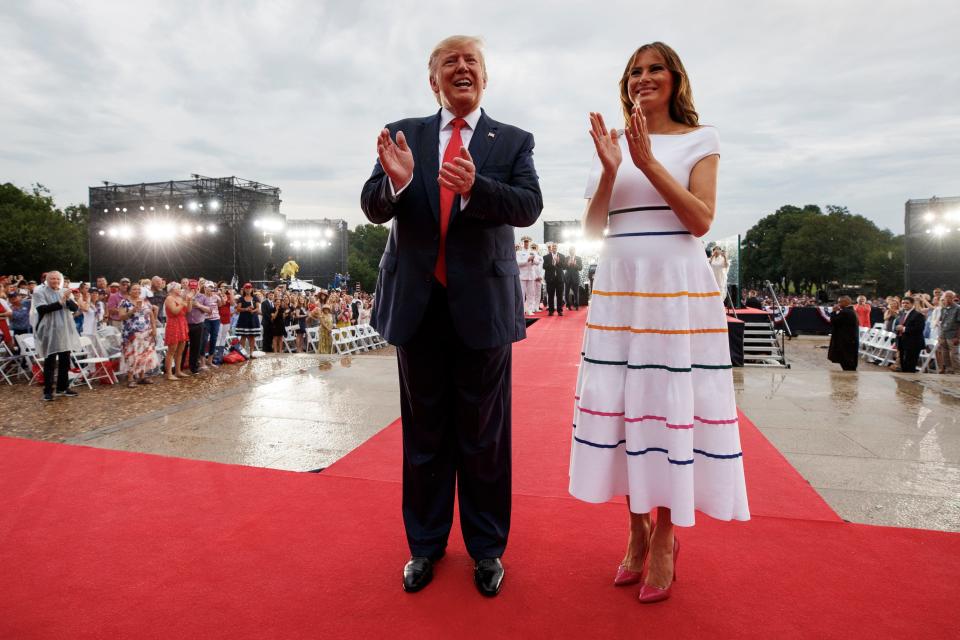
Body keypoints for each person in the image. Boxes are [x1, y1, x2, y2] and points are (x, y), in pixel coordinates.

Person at [360, 35, 543, 597]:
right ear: (432, 78)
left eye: (471, 61)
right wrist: (397, 182)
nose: (461, 68)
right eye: (449, 62)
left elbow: (528, 206)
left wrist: (475, 187)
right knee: (425, 435)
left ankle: (487, 549)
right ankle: (425, 546)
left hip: (482, 310)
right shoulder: (403, 133)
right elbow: (371, 205)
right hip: (418, 308)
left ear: (485, 76)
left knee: (485, 436)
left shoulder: (511, 141)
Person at [569, 42, 749, 604]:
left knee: (668, 406)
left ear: (675, 79)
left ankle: (666, 535)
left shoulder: (702, 139)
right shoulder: (612, 144)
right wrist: (610, 170)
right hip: (620, 286)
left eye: (653, 70)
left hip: (675, 289)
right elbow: (594, 231)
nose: (642, 78)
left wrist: (648, 164)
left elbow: (700, 220)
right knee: (625, 404)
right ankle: (635, 526)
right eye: (634, 72)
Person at [29, 271, 82, 401]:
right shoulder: (39, 291)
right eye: (52, 279)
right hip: (48, 330)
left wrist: (68, 299)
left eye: (58, 279)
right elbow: (42, 309)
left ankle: (62, 388)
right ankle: (48, 391)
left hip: (64, 330)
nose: (55, 281)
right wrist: (61, 301)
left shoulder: (63, 291)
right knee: (50, 362)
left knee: (65, 361)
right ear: (47, 280)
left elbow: (75, 308)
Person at [118, 283, 158, 387]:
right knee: (132, 355)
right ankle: (130, 378)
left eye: (138, 289)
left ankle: (142, 376)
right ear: (129, 291)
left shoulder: (145, 301)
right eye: (134, 289)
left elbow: (151, 315)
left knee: (144, 355)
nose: (137, 291)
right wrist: (132, 310)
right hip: (131, 334)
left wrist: (154, 329)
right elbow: (121, 317)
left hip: (146, 333)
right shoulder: (124, 302)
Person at [163, 283, 190, 380]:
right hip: (173, 323)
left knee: (180, 350)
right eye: (178, 288)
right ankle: (169, 373)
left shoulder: (180, 298)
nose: (180, 289)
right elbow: (174, 311)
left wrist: (189, 300)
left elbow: (188, 310)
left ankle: (178, 371)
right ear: (172, 289)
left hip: (182, 323)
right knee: (171, 350)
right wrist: (183, 303)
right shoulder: (169, 298)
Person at [828, 296, 859, 371]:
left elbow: (834, 322)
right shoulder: (849, 311)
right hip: (849, 339)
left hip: (845, 340)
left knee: (846, 360)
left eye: (840, 302)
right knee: (847, 359)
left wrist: (834, 312)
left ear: (846, 302)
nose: (838, 304)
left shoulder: (846, 312)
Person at [896, 296, 926, 373]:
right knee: (903, 365)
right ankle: (903, 383)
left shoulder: (918, 315)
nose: (904, 305)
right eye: (903, 303)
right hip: (902, 342)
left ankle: (910, 384)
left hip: (913, 343)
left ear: (912, 304)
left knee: (910, 366)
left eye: (907, 303)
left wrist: (903, 329)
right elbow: (900, 325)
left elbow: (919, 329)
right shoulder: (902, 313)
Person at [516, 236, 541, 315]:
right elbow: (518, 263)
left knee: (531, 293)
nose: (526, 243)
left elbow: (537, 263)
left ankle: (529, 309)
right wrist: (527, 260)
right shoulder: (518, 252)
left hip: (531, 275)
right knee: (522, 294)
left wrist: (533, 259)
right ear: (523, 243)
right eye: (525, 242)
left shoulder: (532, 252)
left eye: (528, 242)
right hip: (523, 275)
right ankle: (522, 310)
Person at [235, 283, 261, 357]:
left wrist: (253, 311)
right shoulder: (241, 298)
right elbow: (238, 308)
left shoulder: (255, 297)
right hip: (244, 319)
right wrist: (246, 309)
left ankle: (251, 353)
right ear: (244, 289)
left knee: (252, 337)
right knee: (243, 336)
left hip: (253, 319)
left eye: (249, 288)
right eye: (246, 288)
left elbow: (257, 308)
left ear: (252, 289)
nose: (248, 289)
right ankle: (242, 354)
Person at [935, 290, 958, 374]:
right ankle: (949, 370)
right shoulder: (943, 309)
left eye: (949, 297)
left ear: (953, 298)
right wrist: (940, 335)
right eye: (945, 297)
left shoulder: (958, 308)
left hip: (953, 335)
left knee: (954, 354)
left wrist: (957, 337)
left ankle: (957, 371)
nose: (947, 299)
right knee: (944, 353)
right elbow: (942, 322)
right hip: (943, 334)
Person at [542, 242, 566, 316]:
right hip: (550, 279)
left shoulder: (562, 256)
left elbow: (564, 267)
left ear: (557, 248)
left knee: (559, 295)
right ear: (551, 248)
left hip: (559, 279)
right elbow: (544, 266)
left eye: (555, 247)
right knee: (551, 295)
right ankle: (551, 310)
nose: (554, 248)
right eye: (553, 247)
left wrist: (558, 262)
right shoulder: (546, 257)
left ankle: (560, 310)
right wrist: (551, 264)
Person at [563, 246, 583, 310]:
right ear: (569, 251)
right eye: (570, 250)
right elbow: (563, 267)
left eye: (573, 250)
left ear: (575, 251)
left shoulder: (578, 258)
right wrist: (568, 264)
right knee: (566, 292)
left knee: (576, 292)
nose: (572, 251)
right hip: (567, 277)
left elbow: (580, 268)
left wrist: (575, 265)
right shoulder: (566, 258)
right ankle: (568, 305)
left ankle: (576, 305)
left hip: (575, 277)